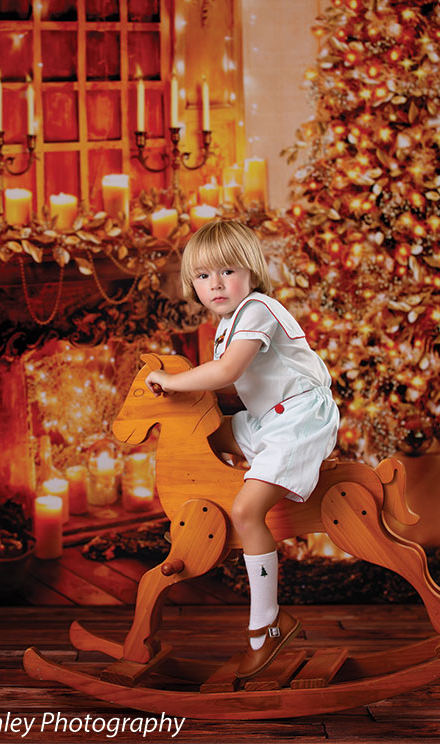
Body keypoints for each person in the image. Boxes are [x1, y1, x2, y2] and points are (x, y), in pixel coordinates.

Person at [145, 219, 339, 679]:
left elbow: (226, 373)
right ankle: (203, 513)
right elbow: (235, 388)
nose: (215, 284)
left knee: (248, 511)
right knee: (203, 436)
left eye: (227, 271)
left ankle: (267, 626)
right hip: (268, 419)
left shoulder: (258, 310)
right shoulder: (227, 324)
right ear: (193, 284)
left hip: (298, 417)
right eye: (203, 275)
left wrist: (172, 380)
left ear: (251, 271)